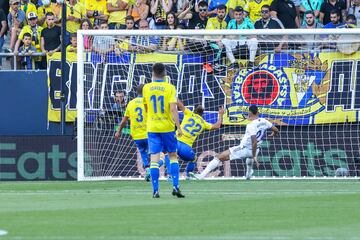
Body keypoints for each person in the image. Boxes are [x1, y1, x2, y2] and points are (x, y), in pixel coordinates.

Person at [191, 105, 279, 180]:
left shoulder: (251, 126)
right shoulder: (264, 121)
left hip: (245, 149)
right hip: (256, 149)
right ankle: (248, 174)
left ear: (249, 113)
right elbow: (276, 129)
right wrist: (274, 133)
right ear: (258, 113)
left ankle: (201, 176)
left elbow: (254, 142)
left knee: (219, 157)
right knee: (249, 159)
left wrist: (254, 155)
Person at [142, 63, 183, 198]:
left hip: (152, 127)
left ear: (152, 73)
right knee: (172, 156)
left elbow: (146, 108)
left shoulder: (146, 88)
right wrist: (179, 126)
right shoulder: (170, 87)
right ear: (165, 73)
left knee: (154, 158)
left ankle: (155, 191)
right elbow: (173, 109)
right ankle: (176, 187)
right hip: (167, 127)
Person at [177, 100, 224, 178]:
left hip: (175, 142)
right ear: (202, 114)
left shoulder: (189, 113)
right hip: (186, 147)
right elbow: (217, 126)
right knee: (193, 159)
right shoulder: (203, 123)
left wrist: (173, 96)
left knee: (169, 157)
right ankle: (188, 175)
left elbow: (180, 105)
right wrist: (221, 114)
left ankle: (166, 174)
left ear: (194, 111)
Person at [115, 85, 151, 181]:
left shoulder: (131, 103)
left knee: (143, 151)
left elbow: (124, 121)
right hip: (149, 133)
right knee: (161, 152)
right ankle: (158, 169)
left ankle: (147, 169)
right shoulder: (148, 102)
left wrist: (118, 131)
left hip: (137, 135)